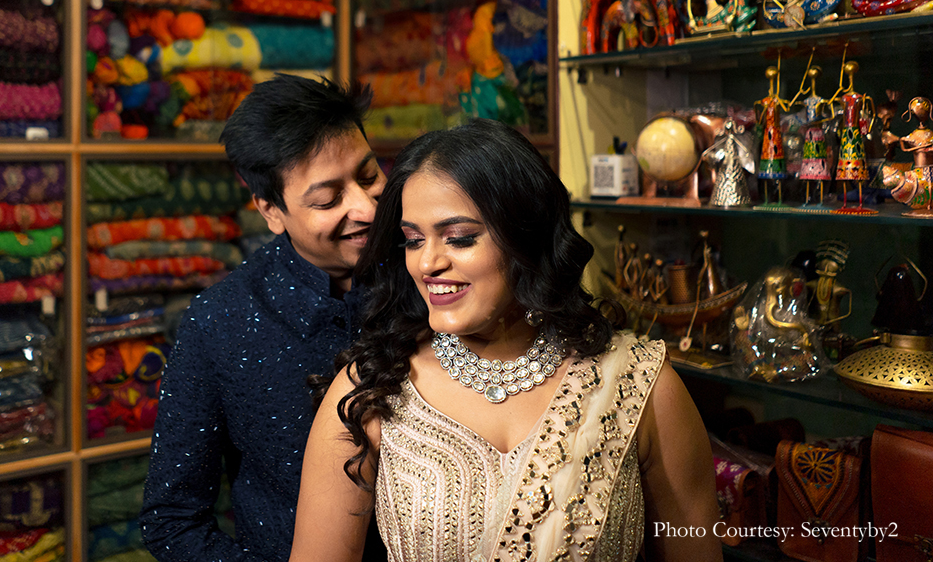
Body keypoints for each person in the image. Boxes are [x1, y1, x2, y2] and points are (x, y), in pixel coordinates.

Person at [289, 119, 721, 562]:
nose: (428, 263)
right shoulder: (372, 390)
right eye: (413, 240)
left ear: (526, 237)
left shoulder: (637, 383)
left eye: (459, 238)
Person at [141, 75, 388, 562]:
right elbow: (171, 520)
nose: (365, 208)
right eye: (327, 200)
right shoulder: (220, 321)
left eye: (368, 175)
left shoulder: (430, 274)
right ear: (271, 210)